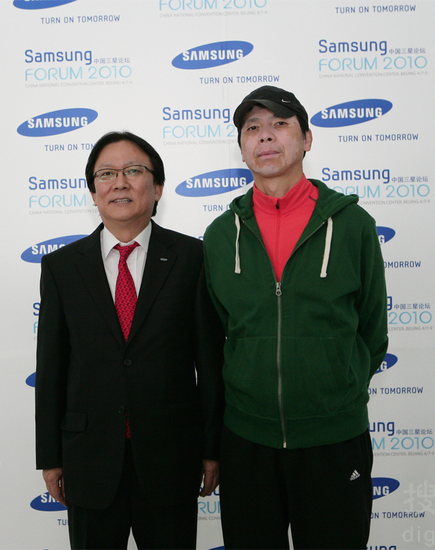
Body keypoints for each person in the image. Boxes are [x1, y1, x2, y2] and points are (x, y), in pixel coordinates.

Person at [203, 86, 388, 549]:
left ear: (306, 139)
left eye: (280, 124)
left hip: (333, 438)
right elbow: (220, 333)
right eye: (253, 128)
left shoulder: (353, 226)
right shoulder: (221, 236)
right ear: (242, 148)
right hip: (247, 441)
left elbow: (371, 329)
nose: (265, 136)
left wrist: (335, 391)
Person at [35, 131, 225, 549]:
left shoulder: (192, 259)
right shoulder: (62, 268)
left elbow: (210, 362)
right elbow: (51, 368)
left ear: (157, 188)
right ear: (93, 192)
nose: (119, 182)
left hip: (171, 458)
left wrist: (212, 449)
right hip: (88, 459)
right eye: (106, 174)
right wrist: (49, 457)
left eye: (133, 171)